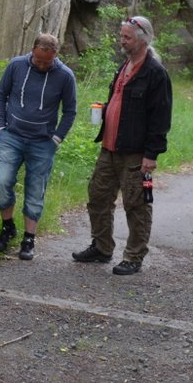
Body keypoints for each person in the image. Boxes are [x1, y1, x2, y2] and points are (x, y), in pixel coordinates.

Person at [72, 16, 172, 276]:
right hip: (109, 147)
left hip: (136, 154)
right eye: (122, 36)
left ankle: (134, 256)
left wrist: (152, 155)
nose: (122, 41)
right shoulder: (124, 65)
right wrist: (106, 111)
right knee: (98, 197)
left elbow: (161, 118)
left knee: (137, 205)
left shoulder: (155, 73)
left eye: (126, 37)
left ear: (142, 39)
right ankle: (102, 248)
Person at [0, 33, 77, 260]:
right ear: (32, 51)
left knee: (36, 189)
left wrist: (56, 140)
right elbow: (1, 95)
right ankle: (7, 226)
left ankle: (29, 239)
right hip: (11, 136)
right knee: (2, 181)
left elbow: (70, 111)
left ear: (55, 55)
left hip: (42, 142)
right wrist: (0, 127)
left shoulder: (65, 76)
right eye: (38, 60)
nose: (41, 65)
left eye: (47, 62)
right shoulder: (16, 66)